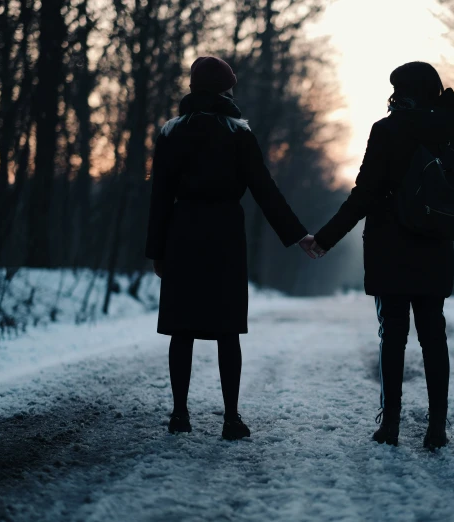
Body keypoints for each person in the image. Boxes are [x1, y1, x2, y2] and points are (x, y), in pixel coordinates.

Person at [145, 56, 317, 440]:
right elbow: (264, 190)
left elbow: (160, 197)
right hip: (223, 234)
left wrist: (158, 250)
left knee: (181, 329)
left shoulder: (171, 133)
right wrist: (298, 234)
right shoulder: (239, 134)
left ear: (192, 89)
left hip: (182, 233)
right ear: (225, 92)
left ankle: (179, 415)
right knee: (227, 330)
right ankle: (231, 418)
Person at [311, 62, 454, 449]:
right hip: (435, 246)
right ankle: (437, 428)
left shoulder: (385, 130)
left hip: (391, 246)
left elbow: (364, 194)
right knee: (434, 335)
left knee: (393, 335)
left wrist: (324, 239)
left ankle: (390, 424)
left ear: (399, 92)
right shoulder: (450, 131)